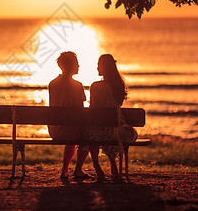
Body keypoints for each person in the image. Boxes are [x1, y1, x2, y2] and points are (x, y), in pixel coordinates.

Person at [83, 54, 136, 180]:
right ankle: (113, 164)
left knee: (90, 132)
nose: (97, 68)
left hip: (98, 129)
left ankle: (96, 165)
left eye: (98, 65)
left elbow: (93, 108)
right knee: (108, 129)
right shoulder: (119, 85)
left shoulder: (96, 86)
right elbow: (118, 104)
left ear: (104, 67)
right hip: (116, 129)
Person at [48, 51, 89, 179]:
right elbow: (80, 110)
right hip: (70, 130)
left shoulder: (52, 83)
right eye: (77, 63)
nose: (79, 66)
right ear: (71, 65)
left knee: (71, 130)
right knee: (87, 135)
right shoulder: (77, 86)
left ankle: (65, 170)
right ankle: (78, 170)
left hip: (54, 130)